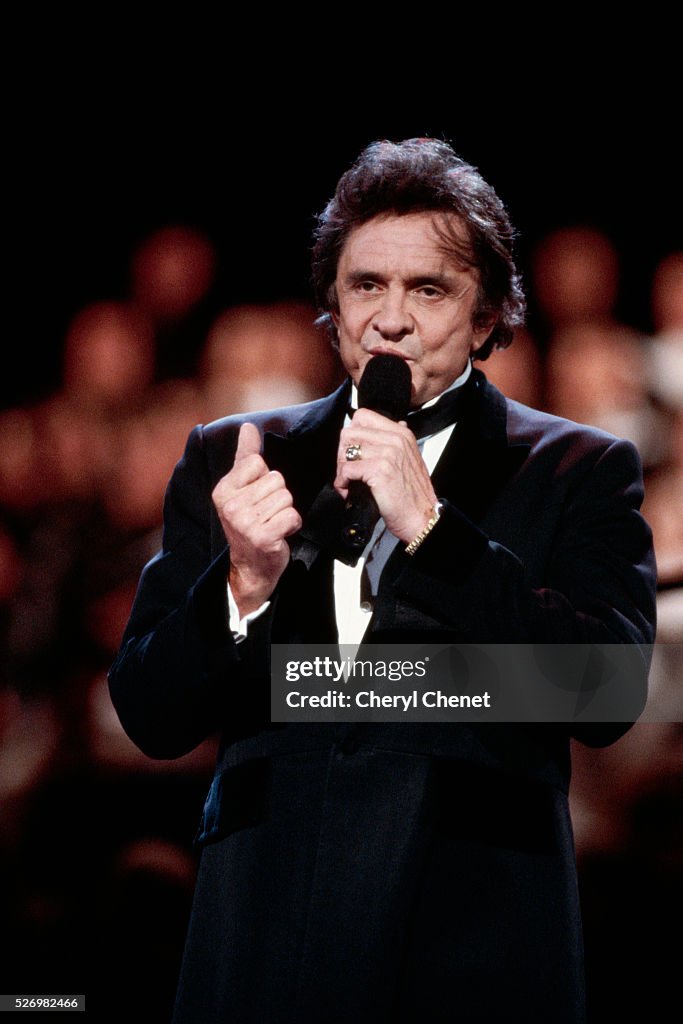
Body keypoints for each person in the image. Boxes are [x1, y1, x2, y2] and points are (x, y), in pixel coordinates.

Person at [108, 139, 657, 1023]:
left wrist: (435, 534)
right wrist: (241, 585)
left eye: (428, 289)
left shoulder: (574, 468)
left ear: (486, 316)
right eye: (366, 286)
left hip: (471, 926)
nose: (389, 320)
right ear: (332, 303)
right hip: (264, 912)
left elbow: (603, 692)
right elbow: (149, 711)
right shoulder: (237, 454)